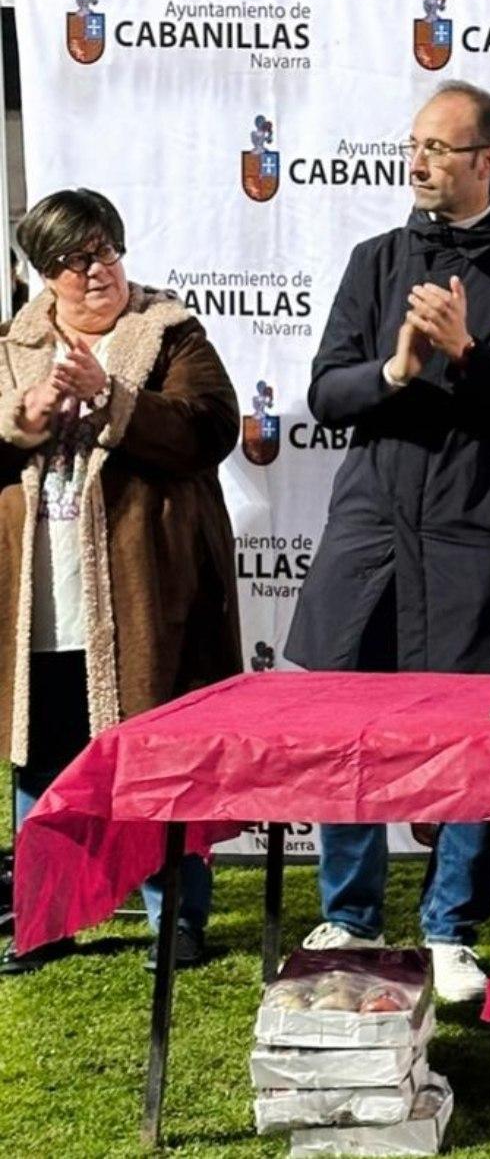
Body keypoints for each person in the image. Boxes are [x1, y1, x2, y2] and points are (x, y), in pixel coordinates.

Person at [285, 82, 490, 1001]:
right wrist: (393, 369)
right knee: (348, 725)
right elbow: (326, 394)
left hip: (478, 538)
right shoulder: (375, 260)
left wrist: (469, 355)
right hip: (373, 532)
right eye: (412, 144)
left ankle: (451, 924)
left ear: (486, 160)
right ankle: (350, 912)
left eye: (438, 148)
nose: (418, 161)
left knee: (472, 732)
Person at [0, 188, 241, 974]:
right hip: (43, 597)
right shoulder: (11, 348)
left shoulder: (169, 333)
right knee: (44, 761)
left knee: (159, 756)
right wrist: (20, 423)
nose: (97, 270)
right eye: (75, 260)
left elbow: (210, 427)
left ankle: (176, 919)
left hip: (147, 594)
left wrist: (110, 398)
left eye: (106, 250)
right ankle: (45, 918)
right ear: (43, 275)